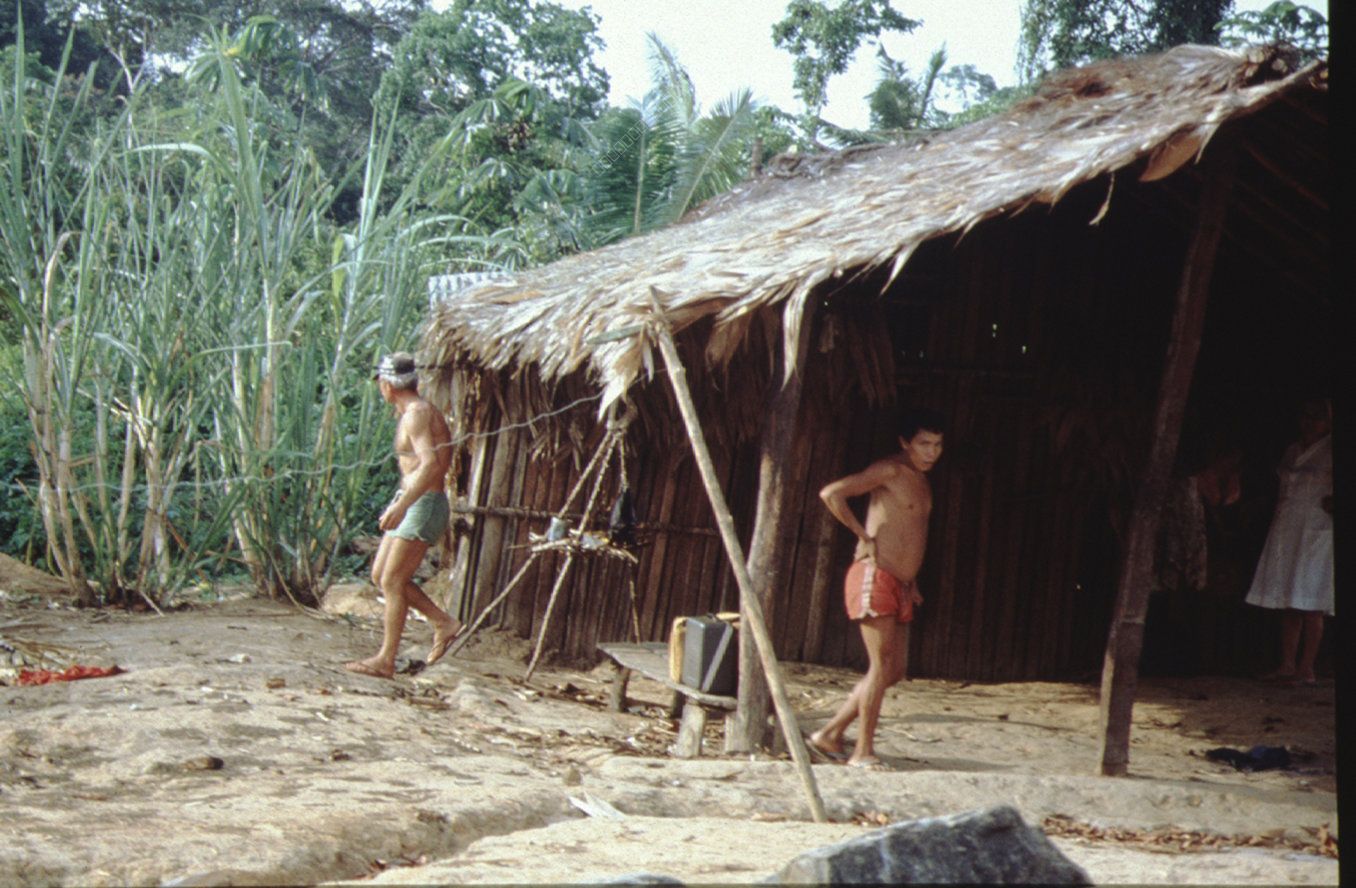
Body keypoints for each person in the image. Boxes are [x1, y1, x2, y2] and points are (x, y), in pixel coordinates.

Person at [809, 408, 944, 768]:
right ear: (905, 443)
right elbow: (831, 493)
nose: (931, 452)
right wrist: (862, 536)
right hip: (875, 575)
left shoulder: (921, 479)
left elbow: (907, 531)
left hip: (899, 584)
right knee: (880, 665)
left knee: (894, 670)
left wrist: (910, 579)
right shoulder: (890, 470)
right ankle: (862, 752)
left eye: (937, 445)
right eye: (924, 444)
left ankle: (830, 734)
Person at [345, 352, 463, 679]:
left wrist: (401, 505)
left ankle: (386, 659)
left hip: (423, 504)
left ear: (387, 385)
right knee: (381, 575)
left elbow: (431, 465)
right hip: (416, 501)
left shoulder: (417, 415)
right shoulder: (414, 412)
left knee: (393, 580)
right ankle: (443, 622)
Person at [1245, 396, 1333, 687]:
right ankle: (1287, 664)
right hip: (1287, 528)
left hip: (1317, 530)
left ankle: (1306, 668)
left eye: (1317, 417)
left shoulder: (1332, 450)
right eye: (1305, 416)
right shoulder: (1293, 449)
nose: (1309, 422)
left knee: (1311, 599)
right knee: (1290, 599)